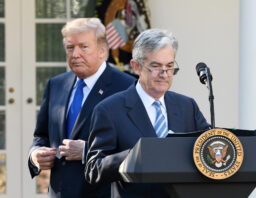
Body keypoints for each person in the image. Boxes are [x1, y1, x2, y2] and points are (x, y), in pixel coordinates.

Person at [85, 29, 210, 198]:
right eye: (156, 66)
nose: (164, 74)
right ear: (136, 66)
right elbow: (94, 169)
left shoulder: (187, 106)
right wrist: (135, 155)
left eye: (170, 66)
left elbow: (206, 149)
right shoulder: (109, 109)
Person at [28, 18, 135, 198]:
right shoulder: (56, 84)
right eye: (70, 48)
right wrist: (34, 155)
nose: (75, 54)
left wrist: (87, 152)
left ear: (102, 51)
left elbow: (134, 149)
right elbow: (41, 135)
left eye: (83, 47)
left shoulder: (127, 87)